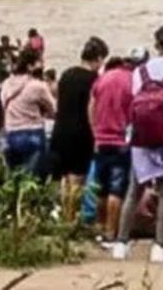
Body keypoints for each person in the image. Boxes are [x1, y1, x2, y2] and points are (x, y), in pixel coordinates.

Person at [111, 24, 163, 264]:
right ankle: (160, 246)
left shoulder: (141, 70)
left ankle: (121, 243)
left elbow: (136, 97)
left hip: (142, 134)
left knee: (133, 190)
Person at [53, 37, 108, 223]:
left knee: (66, 179)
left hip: (60, 130)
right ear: (98, 58)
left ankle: (64, 216)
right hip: (81, 133)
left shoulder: (66, 75)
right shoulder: (94, 80)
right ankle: (71, 219)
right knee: (78, 179)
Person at [90, 56, 134, 241]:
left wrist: (95, 133)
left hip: (101, 140)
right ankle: (111, 232)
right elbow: (134, 111)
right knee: (116, 189)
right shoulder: (131, 80)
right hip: (120, 141)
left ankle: (99, 228)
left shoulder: (101, 80)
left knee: (101, 188)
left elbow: (91, 108)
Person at [0, 48, 54, 177]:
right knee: (32, 181)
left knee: (13, 180)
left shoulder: (6, 84)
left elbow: (3, 105)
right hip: (32, 134)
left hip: (10, 135)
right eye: (39, 62)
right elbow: (53, 109)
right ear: (30, 66)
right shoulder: (37, 86)